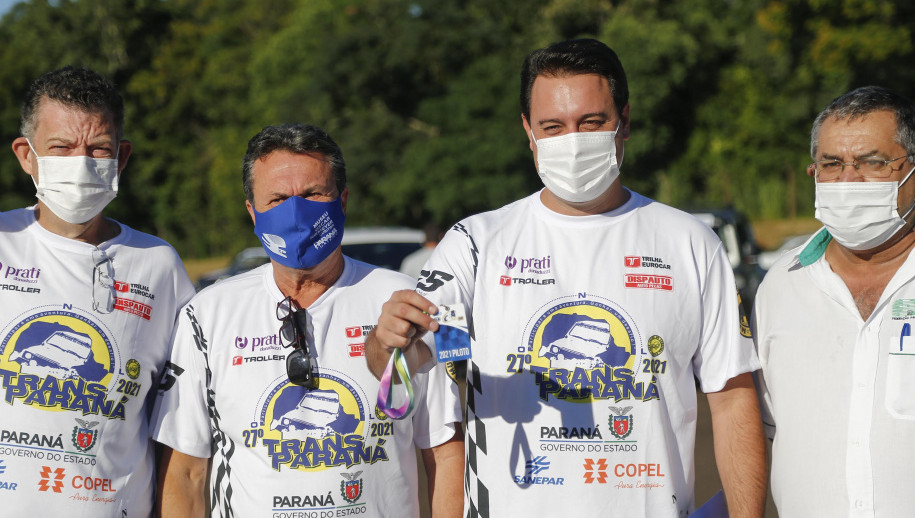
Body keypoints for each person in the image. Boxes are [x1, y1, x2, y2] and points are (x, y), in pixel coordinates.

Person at [366, 38, 766, 517]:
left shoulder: (690, 242)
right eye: (552, 127)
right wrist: (390, 342)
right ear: (528, 131)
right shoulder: (475, 243)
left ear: (624, 121)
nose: (572, 142)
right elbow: (407, 362)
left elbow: (732, 398)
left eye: (591, 122)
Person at [151, 123, 464, 518]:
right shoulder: (207, 315)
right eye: (278, 199)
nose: (296, 212)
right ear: (252, 211)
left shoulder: (406, 301)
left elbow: (446, 452)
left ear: (343, 201)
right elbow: (185, 472)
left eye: (314, 194)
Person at [0, 66, 195, 516]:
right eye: (61, 147)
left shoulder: (158, 265)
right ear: (26, 155)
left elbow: (182, 432)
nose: (81, 162)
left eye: (98, 148)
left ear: (121, 157)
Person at [753, 86, 915, 517]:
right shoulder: (781, 287)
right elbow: (765, 432)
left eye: (872, 163)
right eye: (831, 164)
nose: (848, 181)